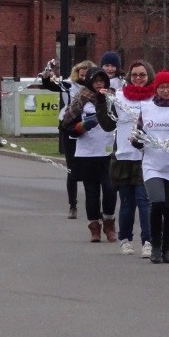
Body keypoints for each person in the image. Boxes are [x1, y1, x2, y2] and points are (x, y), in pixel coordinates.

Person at [96, 60, 156, 258]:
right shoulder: (120, 98)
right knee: (127, 202)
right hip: (123, 156)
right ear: (129, 77)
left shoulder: (155, 99)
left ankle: (148, 241)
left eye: (142, 75)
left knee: (144, 200)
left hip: (146, 158)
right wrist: (100, 103)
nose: (138, 78)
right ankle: (125, 240)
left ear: (149, 76)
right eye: (135, 75)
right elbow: (107, 124)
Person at [133, 70, 169, 264]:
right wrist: (137, 141)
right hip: (153, 164)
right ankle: (155, 246)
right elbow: (139, 132)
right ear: (156, 89)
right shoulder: (147, 108)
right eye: (161, 87)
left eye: (168, 87)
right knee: (157, 202)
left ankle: (168, 249)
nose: (165, 90)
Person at [61, 67, 117, 243]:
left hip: (108, 152)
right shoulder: (82, 97)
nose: (99, 84)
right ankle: (94, 227)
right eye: (96, 81)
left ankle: (109, 223)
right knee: (91, 193)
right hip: (87, 153)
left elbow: (121, 120)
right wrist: (82, 126)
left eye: (102, 80)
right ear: (90, 82)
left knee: (109, 189)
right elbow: (67, 123)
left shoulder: (112, 97)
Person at [42, 60, 97, 219]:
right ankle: (72, 205)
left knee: (90, 168)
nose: (84, 78)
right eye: (81, 75)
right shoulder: (69, 85)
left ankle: (93, 204)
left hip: (89, 127)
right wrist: (46, 76)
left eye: (87, 75)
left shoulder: (96, 89)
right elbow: (50, 85)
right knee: (72, 168)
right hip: (69, 125)